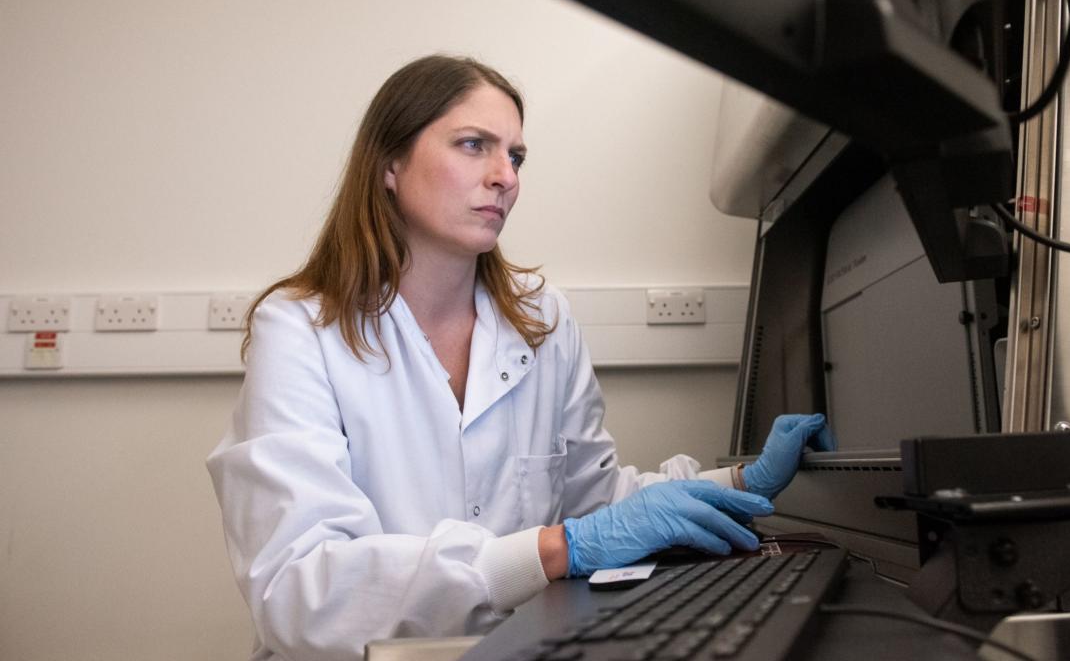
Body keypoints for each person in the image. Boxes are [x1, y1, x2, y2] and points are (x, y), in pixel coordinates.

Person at [206, 55, 833, 661]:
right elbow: (297, 590)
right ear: (390, 162)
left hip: (527, 644)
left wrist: (740, 482)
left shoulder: (541, 320)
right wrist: (559, 550)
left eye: (516, 155)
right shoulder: (302, 329)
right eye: (474, 144)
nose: (506, 176)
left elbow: (594, 504)